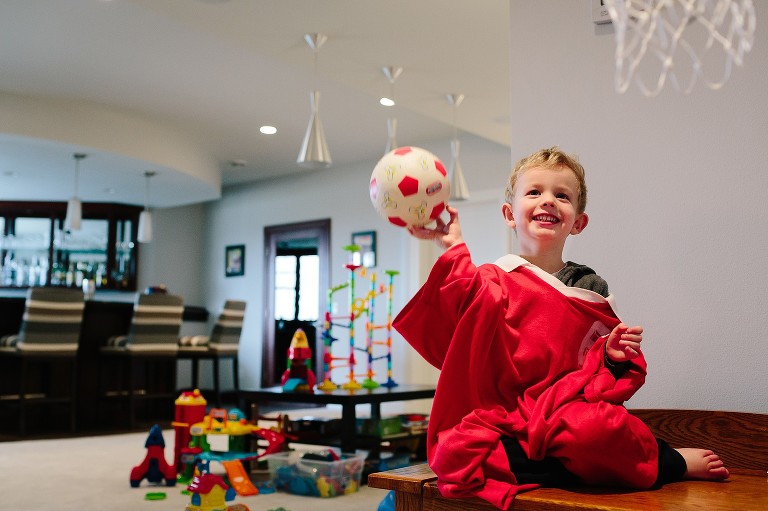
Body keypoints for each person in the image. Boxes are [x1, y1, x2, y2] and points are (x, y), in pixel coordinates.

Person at [393, 147, 728, 510]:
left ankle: (669, 462)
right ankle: (586, 469)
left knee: (594, 431)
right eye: (534, 192)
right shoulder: (491, 279)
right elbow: (456, 329)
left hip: (568, 415)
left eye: (562, 195)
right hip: (503, 417)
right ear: (509, 214)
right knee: (452, 455)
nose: (548, 201)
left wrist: (612, 356)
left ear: (578, 222)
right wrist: (453, 246)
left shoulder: (590, 286)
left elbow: (598, 377)